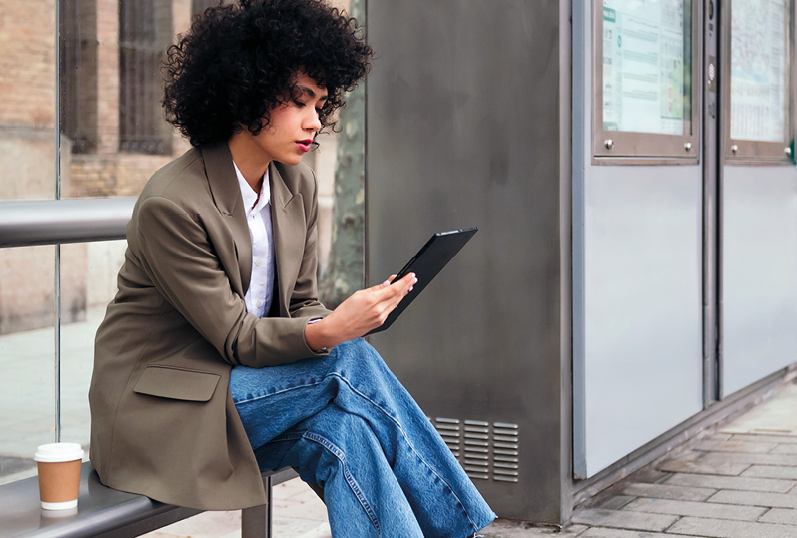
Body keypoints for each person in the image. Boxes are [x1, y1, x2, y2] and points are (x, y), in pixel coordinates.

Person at [87, 0, 496, 536]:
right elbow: (236, 338)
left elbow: (300, 303)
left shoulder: (294, 183)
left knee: (345, 434)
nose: (314, 122)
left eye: (321, 104)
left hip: (244, 396)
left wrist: (340, 320)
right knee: (343, 361)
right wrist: (332, 332)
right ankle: (464, 524)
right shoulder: (173, 204)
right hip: (164, 411)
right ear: (246, 92)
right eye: (300, 102)